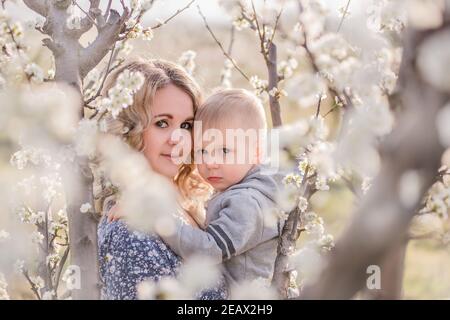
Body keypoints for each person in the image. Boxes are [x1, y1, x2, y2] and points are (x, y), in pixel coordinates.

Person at [97, 59, 227, 300]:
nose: (178, 138)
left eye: (187, 125)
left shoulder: (190, 206)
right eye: (162, 123)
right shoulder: (131, 232)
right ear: (128, 129)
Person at [157, 88, 282, 287]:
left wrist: (159, 220)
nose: (210, 162)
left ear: (256, 153)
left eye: (224, 150)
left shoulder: (247, 202)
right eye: (202, 151)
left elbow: (209, 249)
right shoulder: (239, 188)